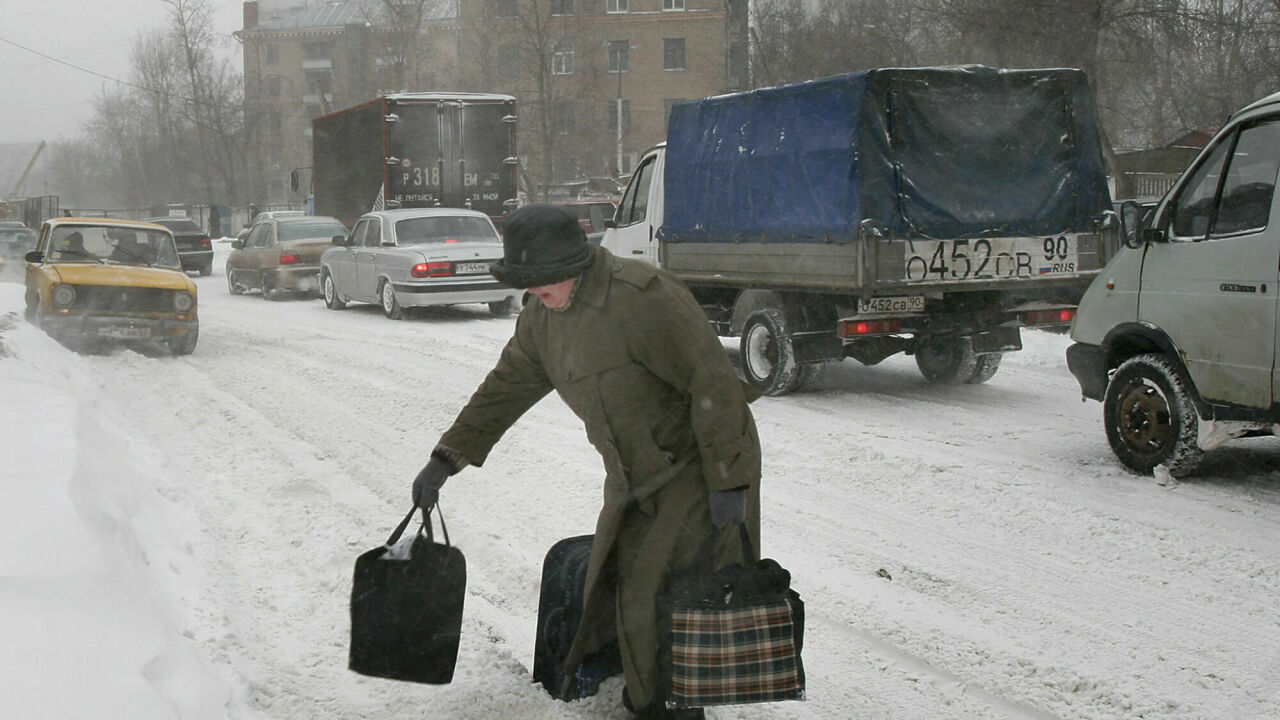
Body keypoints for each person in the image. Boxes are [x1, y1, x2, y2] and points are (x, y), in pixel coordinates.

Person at [411, 204, 762, 720]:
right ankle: (653, 695)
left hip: (693, 468)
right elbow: (506, 387)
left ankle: (662, 709)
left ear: (574, 263)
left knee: (659, 598)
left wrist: (728, 482)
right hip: (628, 475)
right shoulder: (543, 317)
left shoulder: (644, 298)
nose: (534, 292)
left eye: (541, 280)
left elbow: (713, 385)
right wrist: (447, 457)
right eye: (524, 283)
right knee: (621, 586)